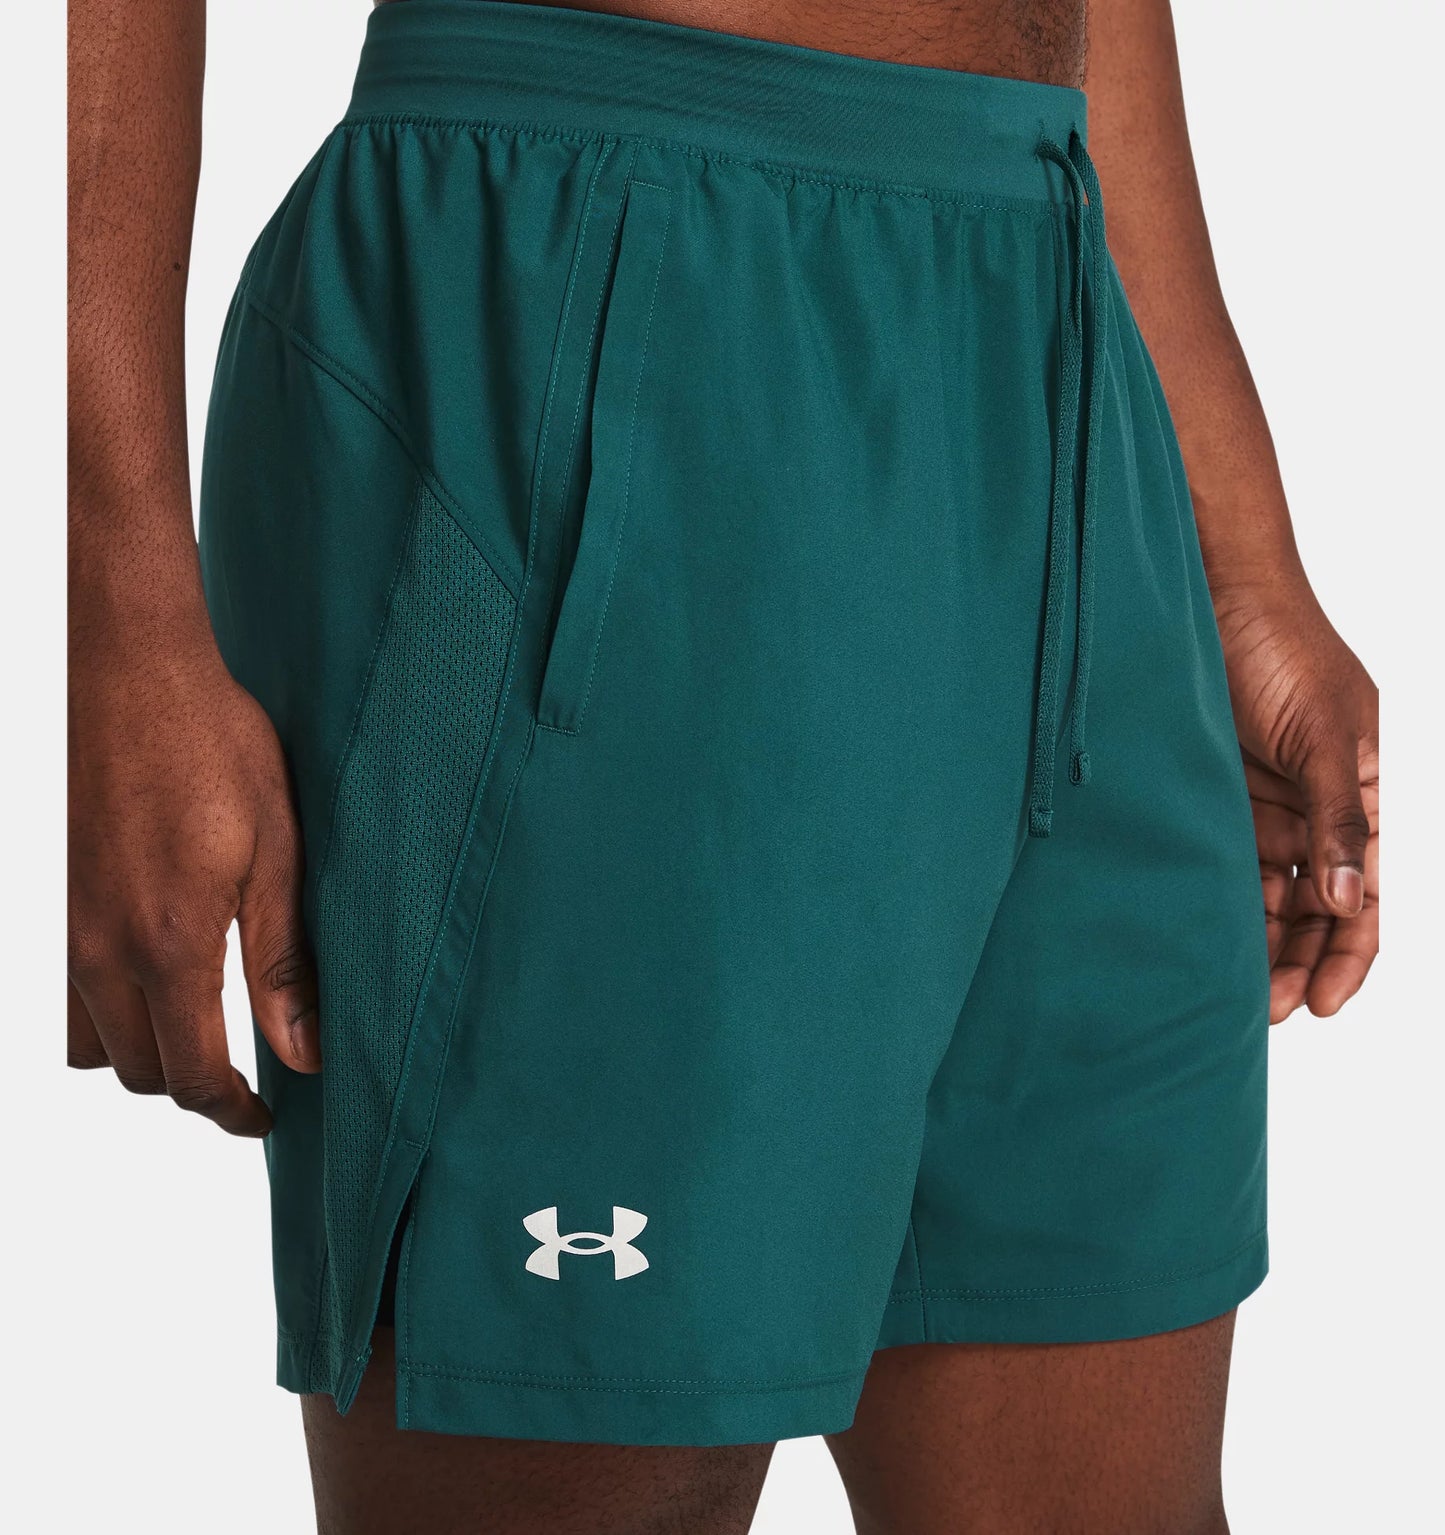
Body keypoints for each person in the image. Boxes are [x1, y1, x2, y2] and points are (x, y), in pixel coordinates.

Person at [68, 0, 1379, 1530]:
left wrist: (1235, 556)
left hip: (1058, 327)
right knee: (603, 1459)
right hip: (603, 260)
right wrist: (115, 610)